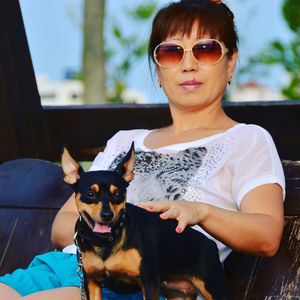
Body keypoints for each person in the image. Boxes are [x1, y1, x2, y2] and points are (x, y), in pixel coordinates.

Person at [0, 0, 285, 299]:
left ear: (230, 63)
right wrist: (113, 228)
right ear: (158, 69)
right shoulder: (125, 142)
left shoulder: (248, 140)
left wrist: (199, 212)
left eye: (206, 49)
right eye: (172, 52)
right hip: (71, 264)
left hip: (141, 282)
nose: (188, 64)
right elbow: (62, 225)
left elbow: (266, 235)